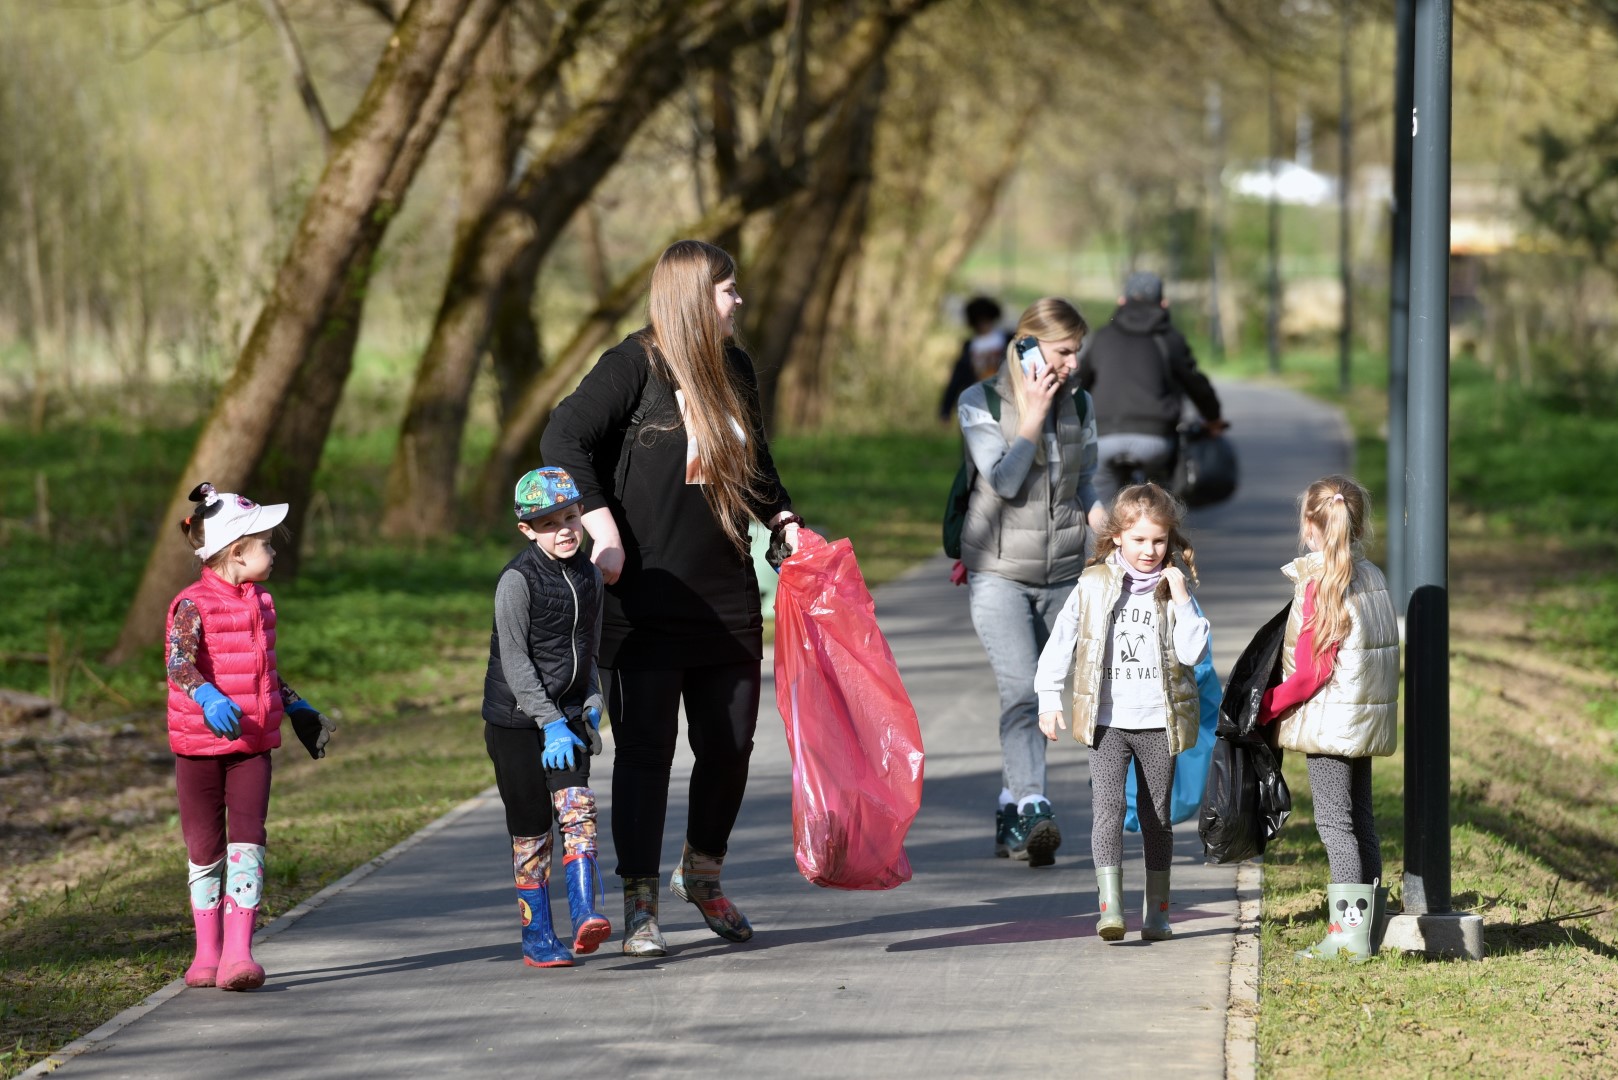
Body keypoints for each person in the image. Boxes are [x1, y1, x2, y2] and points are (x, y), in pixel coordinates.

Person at [540, 239, 800, 958]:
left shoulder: (734, 368)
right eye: (728, 289)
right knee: (646, 754)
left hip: (726, 595)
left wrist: (783, 518)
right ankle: (641, 903)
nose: (739, 300)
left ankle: (702, 872)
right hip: (644, 598)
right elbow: (562, 437)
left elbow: (756, 463)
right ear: (693, 296)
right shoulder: (633, 365)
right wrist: (601, 530)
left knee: (731, 746)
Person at [166, 483, 336, 991]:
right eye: (265, 543)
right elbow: (178, 663)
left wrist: (295, 705)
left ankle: (239, 953)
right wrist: (208, 697)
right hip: (198, 744)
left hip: (252, 743)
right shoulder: (192, 603)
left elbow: (263, 672)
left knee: (248, 841)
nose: (274, 550)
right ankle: (207, 952)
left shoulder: (261, 601)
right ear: (238, 552)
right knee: (204, 846)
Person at [957, 297, 1106, 867]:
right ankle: (1033, 805)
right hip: (998, 572)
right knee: (1023, 690)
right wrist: (1033, 417)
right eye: (1063, 351)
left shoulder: (1081, 403)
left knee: (1053, 690)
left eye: (1077, 352)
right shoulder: (980, 402)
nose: (1072, 364)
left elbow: (1085, 484)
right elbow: (1003, 481)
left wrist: (1115, 537)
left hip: (1064, 573)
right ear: (1028, 346)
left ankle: (1010, 807)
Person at [1035, 483, 1209, 942]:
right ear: (1117, 537)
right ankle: (1110, 909)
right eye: (1139, 540)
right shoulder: (1092, 585)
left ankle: (1158, 913)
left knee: (1157, 818)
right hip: (1107, 722)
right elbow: (1062, 642)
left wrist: (1182, 598)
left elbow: (1193, 653)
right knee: (1107, 811)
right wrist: (1048, 697)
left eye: (1159, 540)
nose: (1150, 550)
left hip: (1158, 722)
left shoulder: (1174, 588)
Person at [1257, 476, 1399, 961]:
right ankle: (1370, 926)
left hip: (1330, 726)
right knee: (1362, 820)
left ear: (1309, 526)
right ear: (1358, 525)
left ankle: (1347, 936)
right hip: (1361, 722)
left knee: (1335, 825)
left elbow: (1310, 674)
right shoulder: (1372, 576)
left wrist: (1266, 707)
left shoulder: (1321, 584)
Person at [482, 466, 611, 968]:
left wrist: (592, 702)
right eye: (549, 523)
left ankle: (584, 916)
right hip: (516, 723)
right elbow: (515, 661)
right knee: (532, 830)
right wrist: (548, 721)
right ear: (527, 530)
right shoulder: (516, 581)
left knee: (578, 811)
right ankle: (537, 936)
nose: (564, 530)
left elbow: (589, 649)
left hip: (569, 717)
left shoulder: (591, 576)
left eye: (571, 517)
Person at [1078, 271, 1226, 507]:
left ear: (1121, 301)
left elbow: (1080, 383)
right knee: (1159, 501)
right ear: (1164, 304)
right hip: (1155, 439)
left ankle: (1101, 527)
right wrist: (1213, 418)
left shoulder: (1102, 337)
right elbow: (1195, 383)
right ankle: (1158, 521)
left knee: (1101, 505)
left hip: (1104, 436)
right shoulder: (1170, 338)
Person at [939, 295, 1011, 421]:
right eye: (980, 321)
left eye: (986, 320)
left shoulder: (1006, 340)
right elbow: (957, 378)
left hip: (1005, 401)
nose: (983, 325)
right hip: (978, 402)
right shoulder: (970, 346)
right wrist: (946, 408)